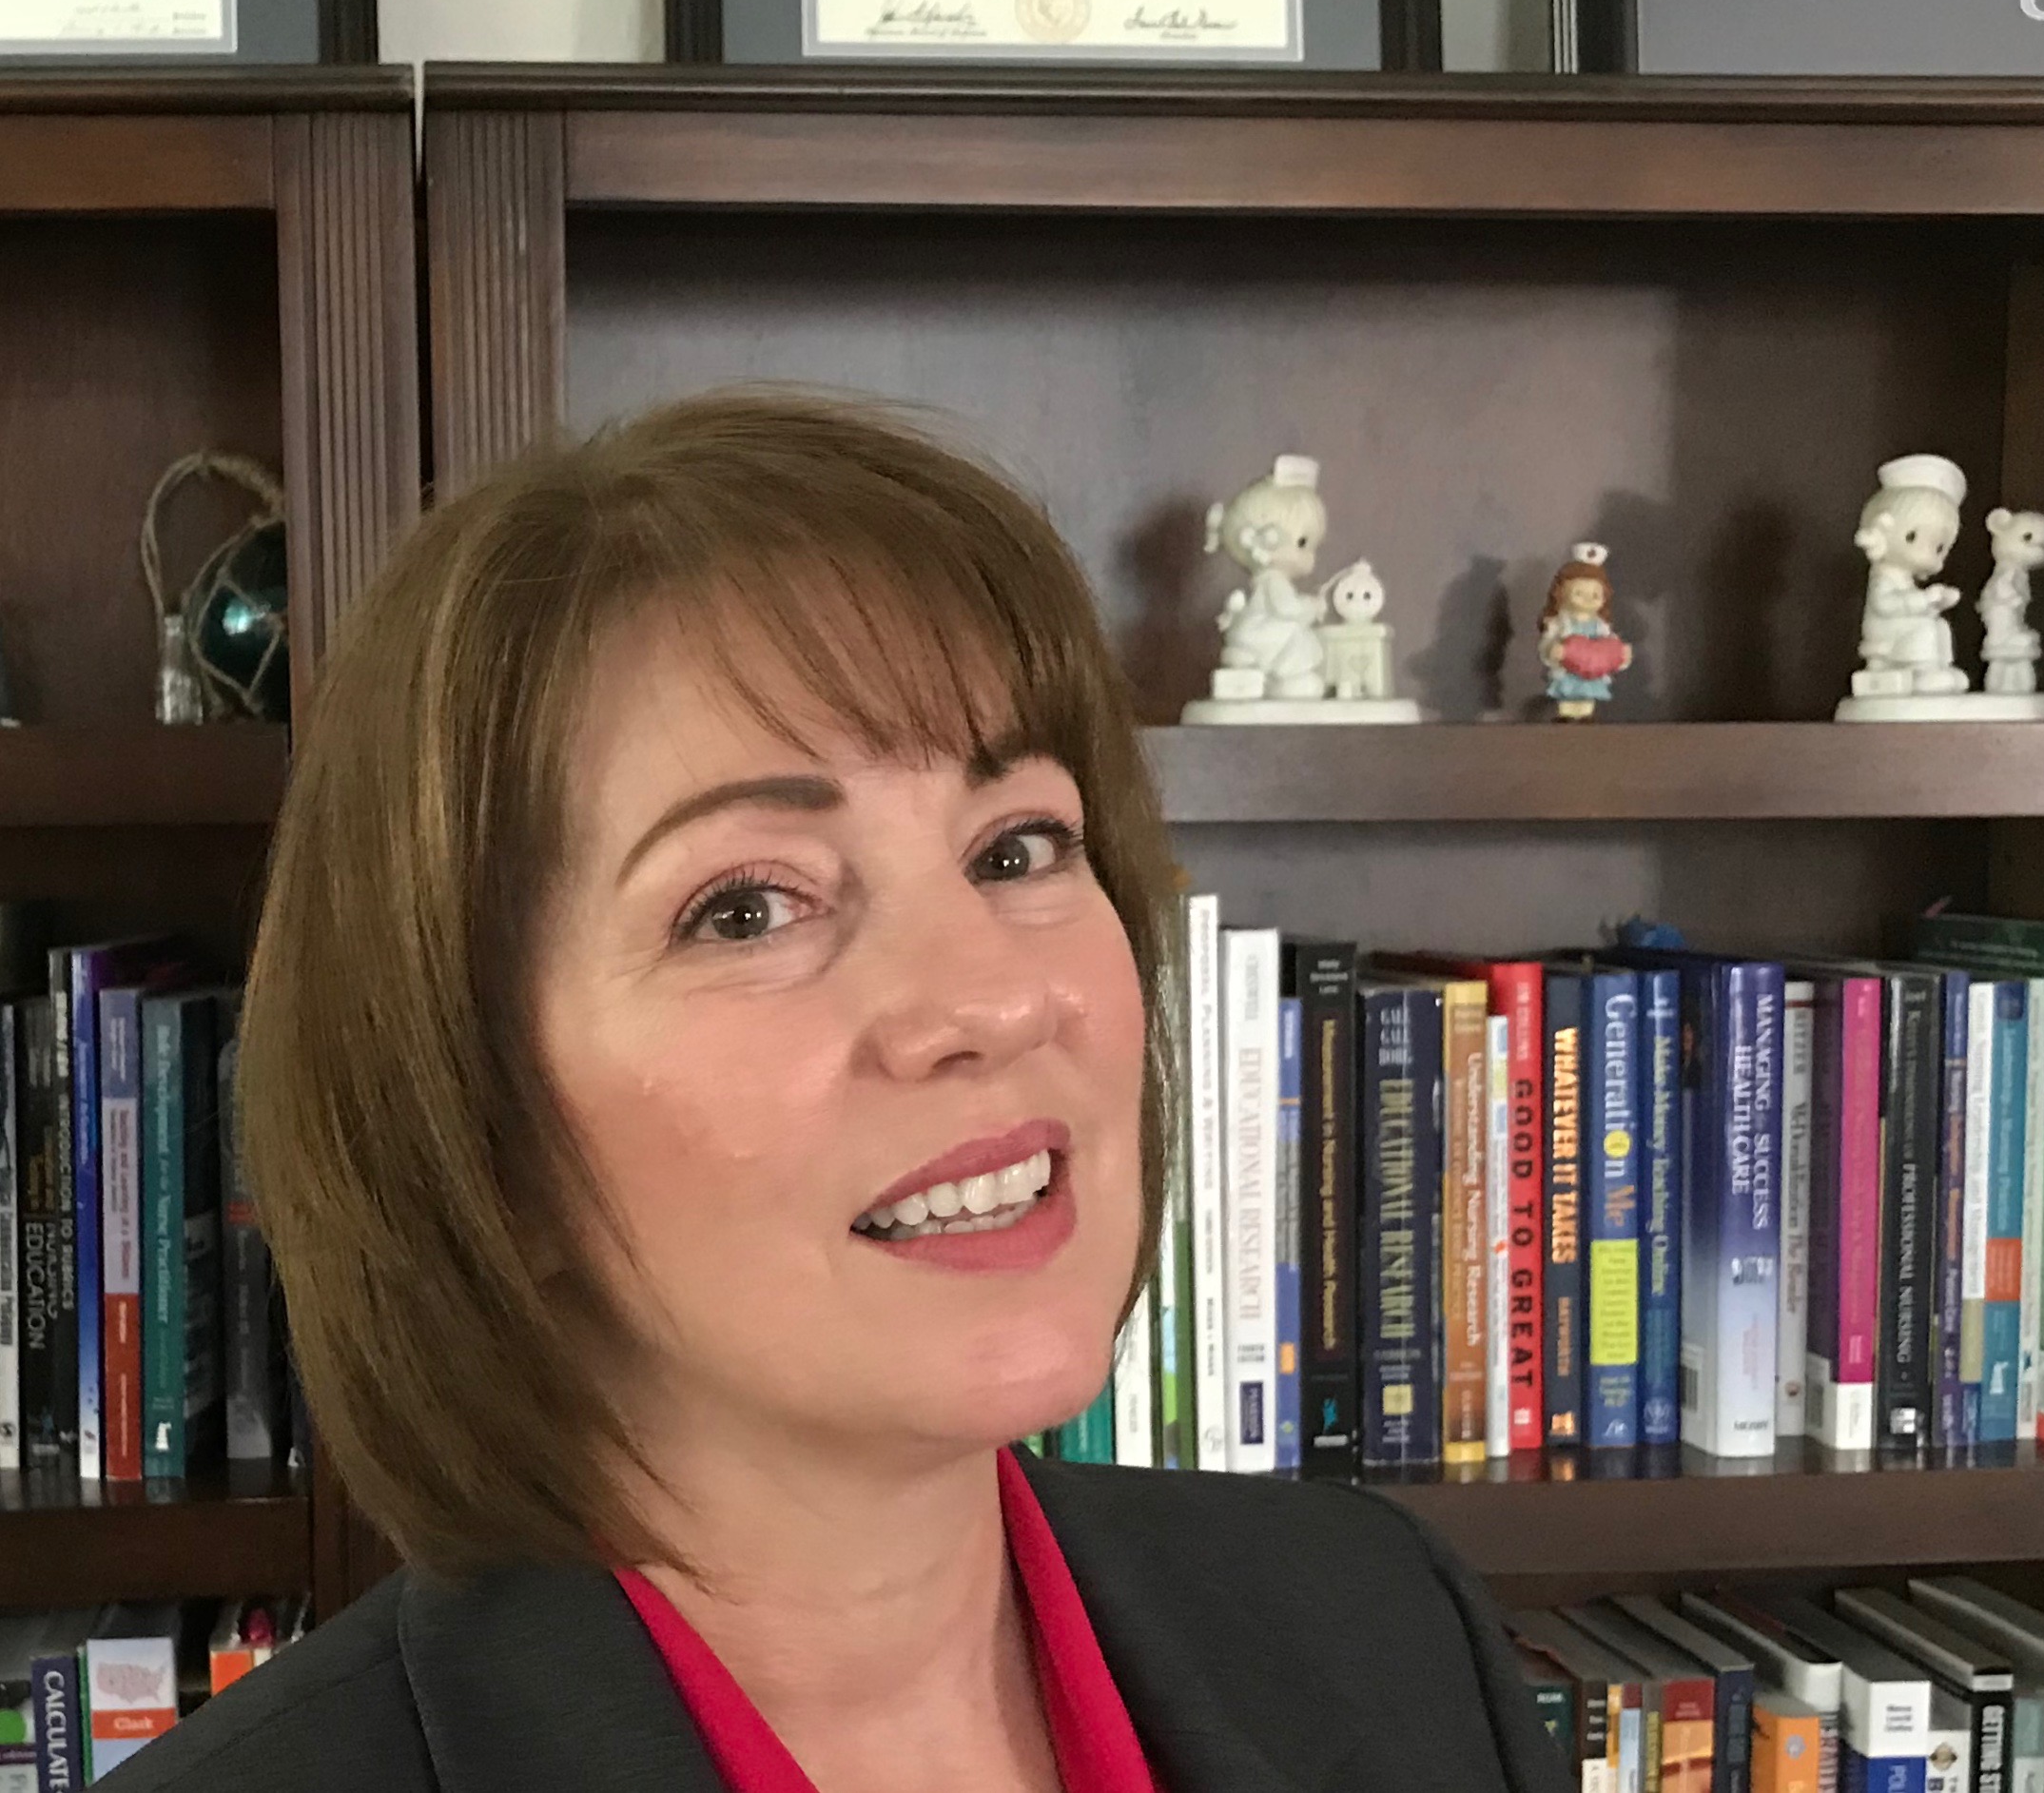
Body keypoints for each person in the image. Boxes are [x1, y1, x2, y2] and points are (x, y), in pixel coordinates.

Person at [109, 392, 1564, 1793]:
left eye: (1016, 848)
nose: (991, 999)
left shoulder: (1386, 1619)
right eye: (747, 908)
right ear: (480, 1129)